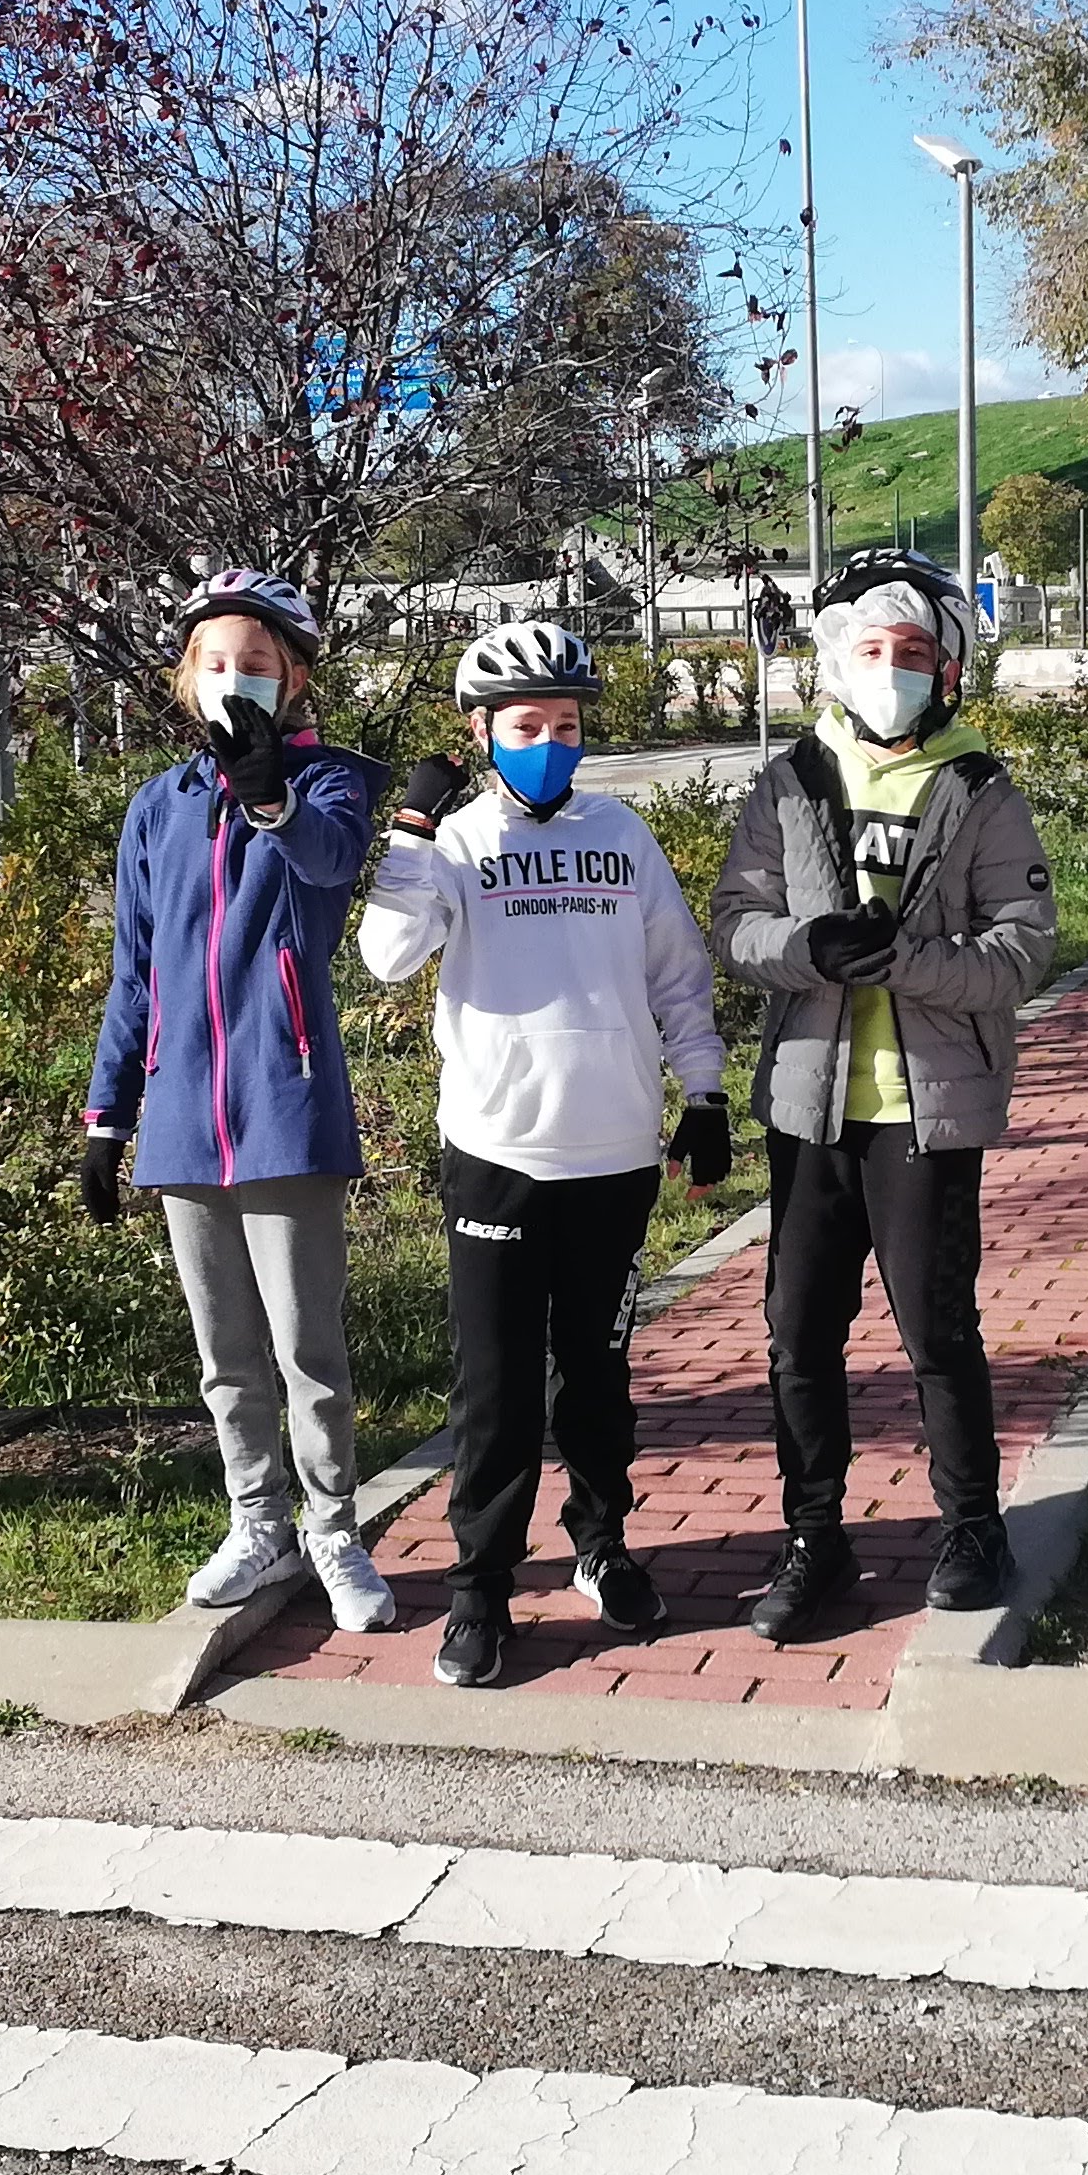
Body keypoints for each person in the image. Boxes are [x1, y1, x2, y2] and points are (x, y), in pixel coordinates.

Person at [358, 619, 733, 1688]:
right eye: (526, 726)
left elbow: (675, 973)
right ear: (482, 733)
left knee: (598, 1379)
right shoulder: (457, 840)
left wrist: (703, 1092)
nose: (551, 744)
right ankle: (480, 1589)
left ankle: (601, 1546)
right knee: (496, 1389)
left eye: (566, 725)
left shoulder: (622, 833)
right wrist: (412, 828)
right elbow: (388, 957)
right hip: (497, 1152)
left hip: (613, 1150)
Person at [709, 549, 1059, 1645]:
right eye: (870, 649)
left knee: (937, 1330)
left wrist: (905, 961)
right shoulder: (790, 782)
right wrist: (810, 947)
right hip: (810, 1106)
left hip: (925, 1110)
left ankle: (973, 1529)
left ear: (947, 668)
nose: (891, 669)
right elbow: (734, 926)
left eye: (912, 652)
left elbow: (1020, 953)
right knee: (798, 1334)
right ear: (836, 661)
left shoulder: (980, 790)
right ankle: (814, 1538)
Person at [80, 570, 398, 1635]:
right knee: (225, 1357)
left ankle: (334, 1529)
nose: (233, 679)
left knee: (308, 1350)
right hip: (183, 1117)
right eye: (213, 663)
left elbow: (331, 863)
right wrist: (109, 1116)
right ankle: (258, 1524)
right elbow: (135, 970)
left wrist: (271, 799)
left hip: (286, 1103)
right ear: (186, 678)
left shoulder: (332, 782)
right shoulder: (159, 806)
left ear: (295, 677)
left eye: (255, 664)